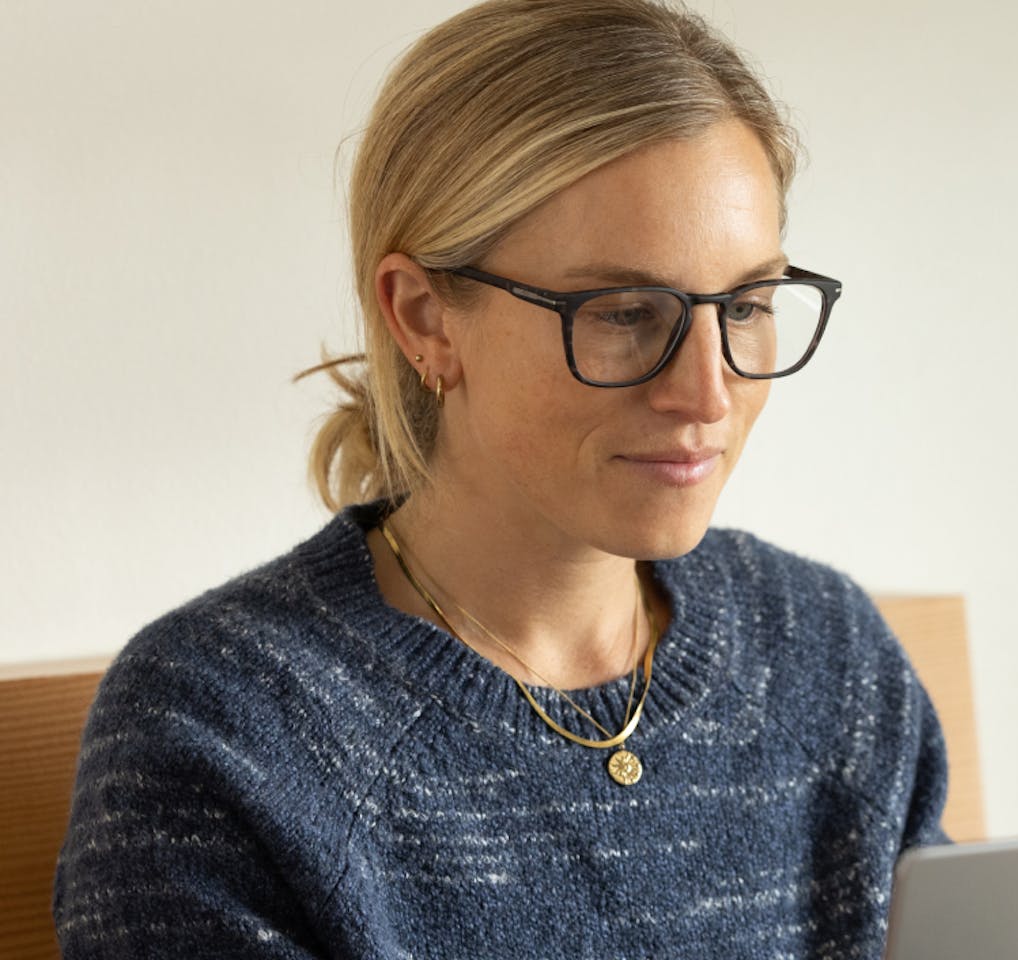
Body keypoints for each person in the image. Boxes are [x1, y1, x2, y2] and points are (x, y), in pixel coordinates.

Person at [54, 1, 948, 956]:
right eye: (622, 311)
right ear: (426, 316)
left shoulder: (823, 650)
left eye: (747, 303)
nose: (708, 392)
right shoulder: (224, 729)